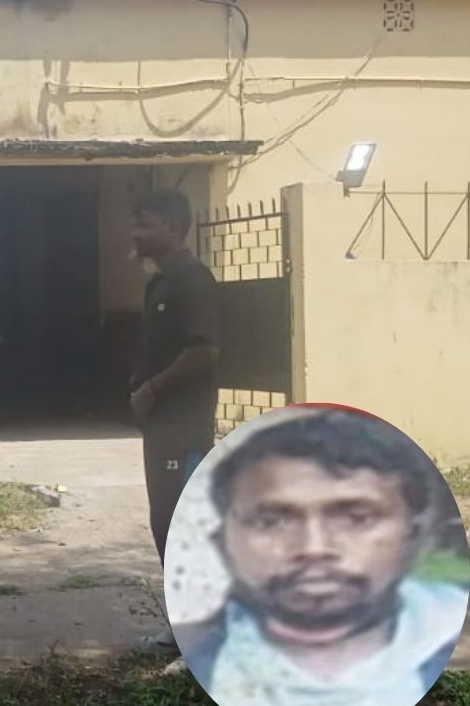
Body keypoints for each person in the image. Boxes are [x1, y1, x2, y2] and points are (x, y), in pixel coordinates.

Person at [175, 408, 467, 705]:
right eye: (272, 521)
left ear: (414, 535)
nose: (313, 548)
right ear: (222, 541)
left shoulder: (440, 645)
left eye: (356, 517)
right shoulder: (203, 658)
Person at [130, 189, 220, 565]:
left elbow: (205, 349)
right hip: (160, 426)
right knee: (164, 522)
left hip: (186, 427)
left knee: (184, 526)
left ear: (171, 227)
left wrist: (152, 388)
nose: (135, 234)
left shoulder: (194, 280)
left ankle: (199, 620)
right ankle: (178, 622)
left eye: (144, 226)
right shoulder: (158, 284)